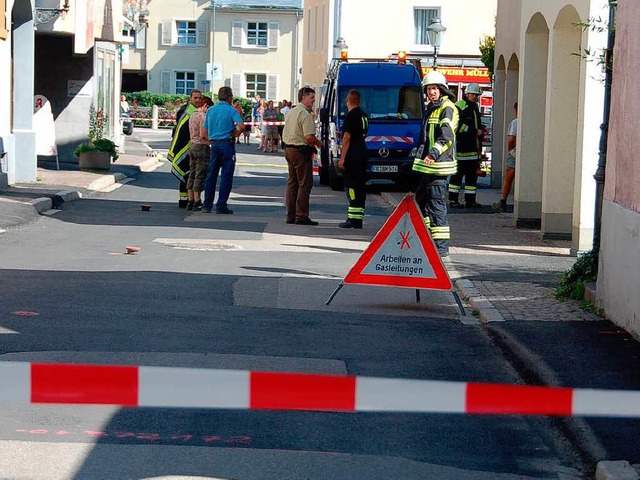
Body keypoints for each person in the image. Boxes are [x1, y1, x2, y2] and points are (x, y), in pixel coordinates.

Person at [412, 70, 459, 257]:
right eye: (429, 89)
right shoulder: (433, 107)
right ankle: (428, 239)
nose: (431, 92)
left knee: (435, 204)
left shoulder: (448, 108)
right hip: (429, 166)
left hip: (440, 166)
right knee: (420, 201)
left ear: (442, 89)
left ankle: (440, 247)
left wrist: (432, 154)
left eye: (434, 89)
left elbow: (446, 136)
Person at [200, 86, 245, 214]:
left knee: (211, 176)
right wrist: (235, 134)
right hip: (227, 144)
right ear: (230, 97)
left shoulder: (211, 110)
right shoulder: (231, 110)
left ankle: (207, 205)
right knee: (226, 176)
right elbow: (241, 126)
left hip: (214, 145)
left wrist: (211, 141)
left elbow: (203, 133)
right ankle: (221, 205)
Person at [282, 87, 323, 226]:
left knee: (292, 183)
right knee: (304, 184)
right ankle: (301, 215)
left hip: (289, 149)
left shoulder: (292, 112)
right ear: (303, 97)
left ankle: (291, 214)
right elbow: (309, 137)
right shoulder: (305, 114)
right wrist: (319, 143)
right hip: (300, 150)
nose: (313, 100)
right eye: (311, 97)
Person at [449, 83, 487, 209]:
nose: (476, 97)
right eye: (474, 95)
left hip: (472, 149)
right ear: (467, 94)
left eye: (477, 95)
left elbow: (474, 123)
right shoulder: (460, 106)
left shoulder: (474, 106)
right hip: (461, 148)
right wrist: (475, 131)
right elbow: (457, 126)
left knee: (472, 177)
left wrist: (481, 128)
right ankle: (453, 200)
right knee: (457, 176)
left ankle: (470, 200)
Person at [337, 89, 369, 229]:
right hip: (362, 155)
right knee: (360, 187)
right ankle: (358, 219)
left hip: (352, 157)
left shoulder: (351, 116)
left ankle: (352, 219)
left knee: (351, 188)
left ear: (347, 101)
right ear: (359, 101)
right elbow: (363, 134)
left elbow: (347, 138)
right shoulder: (364, 116)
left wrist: (342, 158)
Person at [168, 89, 203, 208]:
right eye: (195, 98)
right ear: (190, 98)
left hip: (191, 146)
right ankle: (185, 199)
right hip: (185, 146)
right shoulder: (186, 111)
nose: (198, 100)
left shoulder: (195, 111)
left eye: (199, 98)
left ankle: (187, 199)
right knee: (187, 173)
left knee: (189, 173)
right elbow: (182, 130)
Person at [186, 96, 214, 211]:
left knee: (192, 173)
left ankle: (190, 199)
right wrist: (210, 142)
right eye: (209, 108)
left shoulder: (192, 115)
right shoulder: (203, 116)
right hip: (201, 146)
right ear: (205, 105)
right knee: (200, 174)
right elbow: (203, 134)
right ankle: (198, 200)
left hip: (192, 145)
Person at [493, 102, 518, 212]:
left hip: (515, 154)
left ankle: (503, 201)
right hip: (525, 154)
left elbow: (512, 139)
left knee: (508, 177)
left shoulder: (515, 122)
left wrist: (510, 149)